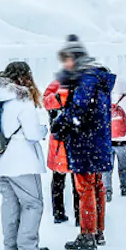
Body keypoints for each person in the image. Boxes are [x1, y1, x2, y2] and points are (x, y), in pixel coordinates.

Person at [50, 35, 116, 250]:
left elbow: (79, 110)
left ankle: (87, 234)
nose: (65, 64)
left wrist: (61, 122)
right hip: (97, 141)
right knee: (97, 185)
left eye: (67, 59)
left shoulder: (86, 79)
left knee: (85, 187)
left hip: (85, 142)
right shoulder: (96, 77)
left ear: (76, 57)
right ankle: (98, 231)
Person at [0, 62, 51, 250]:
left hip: (0, 159)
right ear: (25, 77)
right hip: (22, 162)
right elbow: (32, 134)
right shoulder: (22, 100)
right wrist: (43, 130)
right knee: (33, 204)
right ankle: (27, 248)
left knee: (10, 204)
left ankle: (10, 246)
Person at [44, 79, 81, 226]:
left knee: (58, 181)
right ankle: (80, 216)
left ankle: (58, 213)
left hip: (58, 145)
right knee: (78, 183)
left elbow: (46, 99)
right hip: (77, 144)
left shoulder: (55, 95)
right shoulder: (81, 93)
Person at [105, 77, 126, 202]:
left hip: (108, 138)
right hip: (123, 138)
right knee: (123, 164)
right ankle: (124, 188)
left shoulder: (106, 97)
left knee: (107, 167)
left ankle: (107, 191)